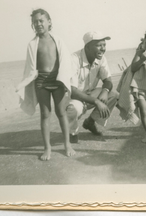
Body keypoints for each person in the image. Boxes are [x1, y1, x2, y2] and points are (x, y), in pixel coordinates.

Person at [16, 9, 75, 160]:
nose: (38, 24)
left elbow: (66, 61)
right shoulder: (32, 44)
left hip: (57, 80)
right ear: (32, 25)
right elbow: (30, 67)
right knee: (45, 114)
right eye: (35, 22)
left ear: (49, 22)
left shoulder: (58, 40)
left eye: (41, 20)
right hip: (41, 82)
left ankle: (67, 143)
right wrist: (25, 82)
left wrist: (66, 79)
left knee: (61, 112)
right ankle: (47, 147)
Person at [66, 31, 119, 143]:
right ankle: (72, 132)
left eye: (104, 45)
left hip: (90, 94)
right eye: (99, 45)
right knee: (73, 109)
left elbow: (108, 81)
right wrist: (97, 101)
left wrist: (105, 91)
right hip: (74, 98)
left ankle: (90, 122)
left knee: (113, 94)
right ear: (88, 47)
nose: (103, 49)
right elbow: (73, 91)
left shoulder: (101, 58)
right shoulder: (73, 59)